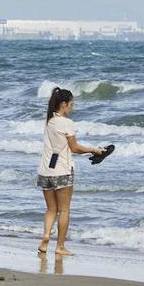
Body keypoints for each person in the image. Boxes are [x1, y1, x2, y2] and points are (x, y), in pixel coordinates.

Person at [37, 87, 106, 257]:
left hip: (45, 170)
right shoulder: (67, 123)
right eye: (71, 105)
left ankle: (46, 236)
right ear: (63, 104)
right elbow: (74, 148)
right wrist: (94, 150)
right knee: (64, 210)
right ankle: (60, 247)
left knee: (51, 209)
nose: (72, 108)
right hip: (62, 171)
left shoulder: (49, 121)